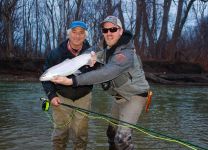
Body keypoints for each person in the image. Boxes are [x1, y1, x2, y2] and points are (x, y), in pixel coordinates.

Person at [51, 16, 150, 150]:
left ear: (120, 31)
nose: (108, 33)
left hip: (135, 96)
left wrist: (72, 81)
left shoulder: (126, 53)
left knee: (122, 139)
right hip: (119, 97)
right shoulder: (102, 45)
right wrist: (87, 59)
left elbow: (106, 73)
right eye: (105, 30)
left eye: (113, 29)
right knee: (111, 133)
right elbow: (87, 53)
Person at [41, 21, 94, 150]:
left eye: (81, 33)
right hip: (61, 97)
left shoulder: (92, 52)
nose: (77, 36)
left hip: (84, 97)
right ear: (69, 34)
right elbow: (45, 79)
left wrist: (96, 64)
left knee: (81, 135)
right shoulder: (56, 53)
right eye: (74, 32)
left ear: (85, 35)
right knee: (60, 134)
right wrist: (51, 96)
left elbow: (101, 74)